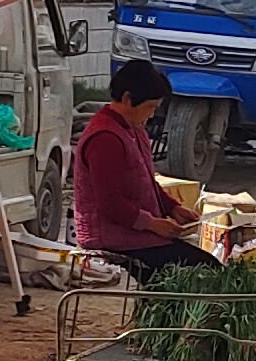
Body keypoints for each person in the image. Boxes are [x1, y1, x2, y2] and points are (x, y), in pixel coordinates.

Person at [71, 57, 206, 276]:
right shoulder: (105, 137)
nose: (152, 114)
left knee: (204, 263)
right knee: (201, 273)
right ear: (127, 99)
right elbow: (110, 203)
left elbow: (145, 180)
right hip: (113, 240)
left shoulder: (133, 128)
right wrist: (152, 224)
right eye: (150, 107)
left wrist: (173, 208)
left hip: (138, 235)